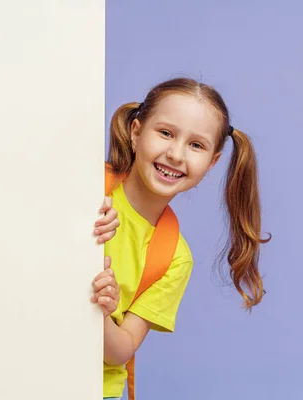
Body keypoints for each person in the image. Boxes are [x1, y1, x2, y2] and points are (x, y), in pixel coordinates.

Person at [90, 77, 271, 400]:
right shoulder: (85, 185)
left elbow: (120, 352)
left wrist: (102, 313)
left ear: (212, 162)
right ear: (135, 132)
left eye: (196, 145)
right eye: (166, 133)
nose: (176, 154)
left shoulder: (174, 257)